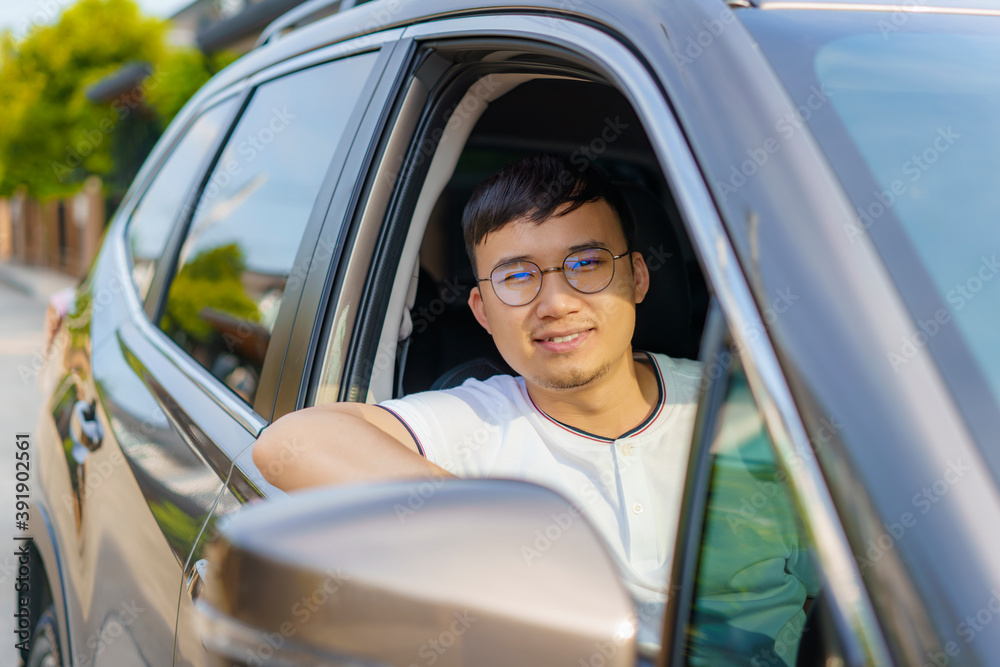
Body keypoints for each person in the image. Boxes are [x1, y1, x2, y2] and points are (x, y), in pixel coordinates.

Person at [252, 153, 704, 639]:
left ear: (637, 276)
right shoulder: (476, 422)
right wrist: (496, 528)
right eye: (517, 277)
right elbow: (287, 444)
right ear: (483, 312)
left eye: (586, 264)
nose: (556, 303)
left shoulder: (737, 406)